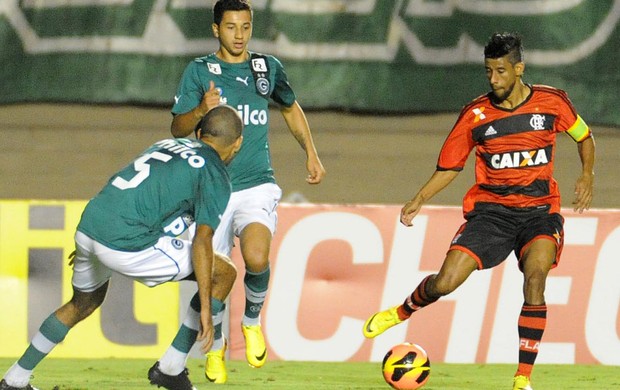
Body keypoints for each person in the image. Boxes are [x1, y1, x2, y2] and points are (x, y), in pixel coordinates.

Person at [362, 32, 595, 390]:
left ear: (519, 68)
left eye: (500, 71)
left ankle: (522, 378)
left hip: (539, 214)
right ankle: (403, 311)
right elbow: (451, 166)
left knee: (536, 279)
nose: (493, 79)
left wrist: (586, 175)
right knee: (445, 281)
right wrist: (420, 197)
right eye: (488, 71)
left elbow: (584, 136)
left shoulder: (552, 102)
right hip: (491, 215)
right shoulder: (475, 115)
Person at [0, 105, 244, 390]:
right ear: (237, 143)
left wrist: (93, 241)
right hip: (126, 244)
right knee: (224, 272)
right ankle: (171, 367)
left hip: (91, 226)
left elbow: (135, 194)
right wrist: (206, 306)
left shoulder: (168, 144)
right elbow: (202, 240)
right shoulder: (215, 174)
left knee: (83, 302)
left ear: (200, 133)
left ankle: (15, 379)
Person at [168, 0, 326, 383]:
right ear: (215, 29)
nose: (239, 35)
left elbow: (290, 108)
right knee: (216, 278)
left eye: (245, 27)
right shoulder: (199, 71)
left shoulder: (267, 68)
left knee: (256, 257)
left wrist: (311, 154)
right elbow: (177, 128)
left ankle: (252, 321)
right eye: (231, 27)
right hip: (212, 189)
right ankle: (216, 348)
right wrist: (201, 109)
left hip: (256, 183)